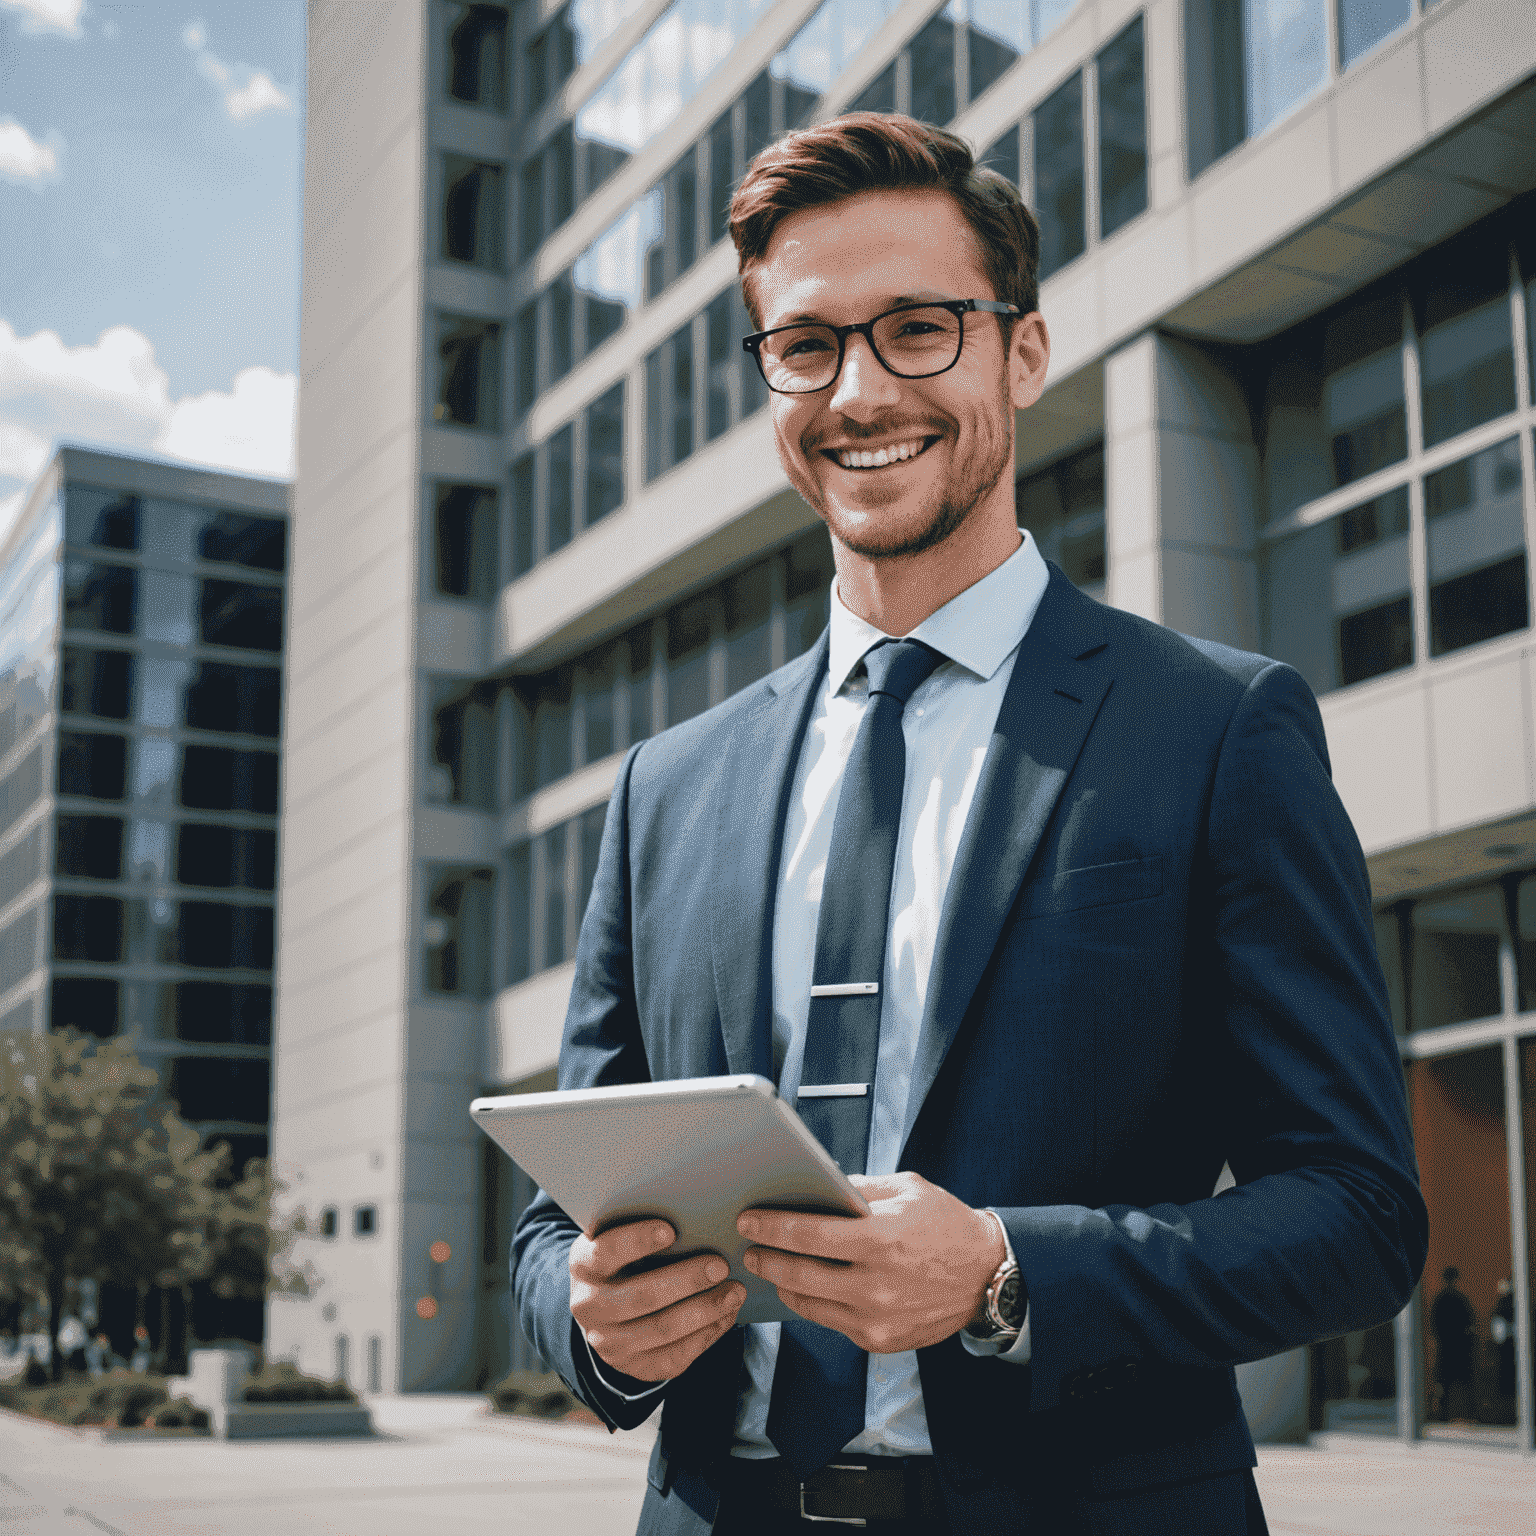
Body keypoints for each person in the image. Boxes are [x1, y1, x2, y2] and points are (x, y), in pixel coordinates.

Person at [514, 113, 1427, 1535]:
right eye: (806, 344)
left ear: (1025, 351)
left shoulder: (1214, 729)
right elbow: (553, 1213)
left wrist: (1009, 1270)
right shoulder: (665, 787)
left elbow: (1359, 1215)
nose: (860, 390)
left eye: (919, 329)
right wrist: (586, 1319)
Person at [1430, 1266, 1476, 1422]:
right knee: (1460, 1384)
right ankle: (1466, 1415)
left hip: (1448, 1348)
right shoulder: (1458, 1298)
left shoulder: (1443, 1299)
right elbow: (1469, 1323)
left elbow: (1434, 1326)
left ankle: (1444, 1416)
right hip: (1457, 1348)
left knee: (1446, 1384)